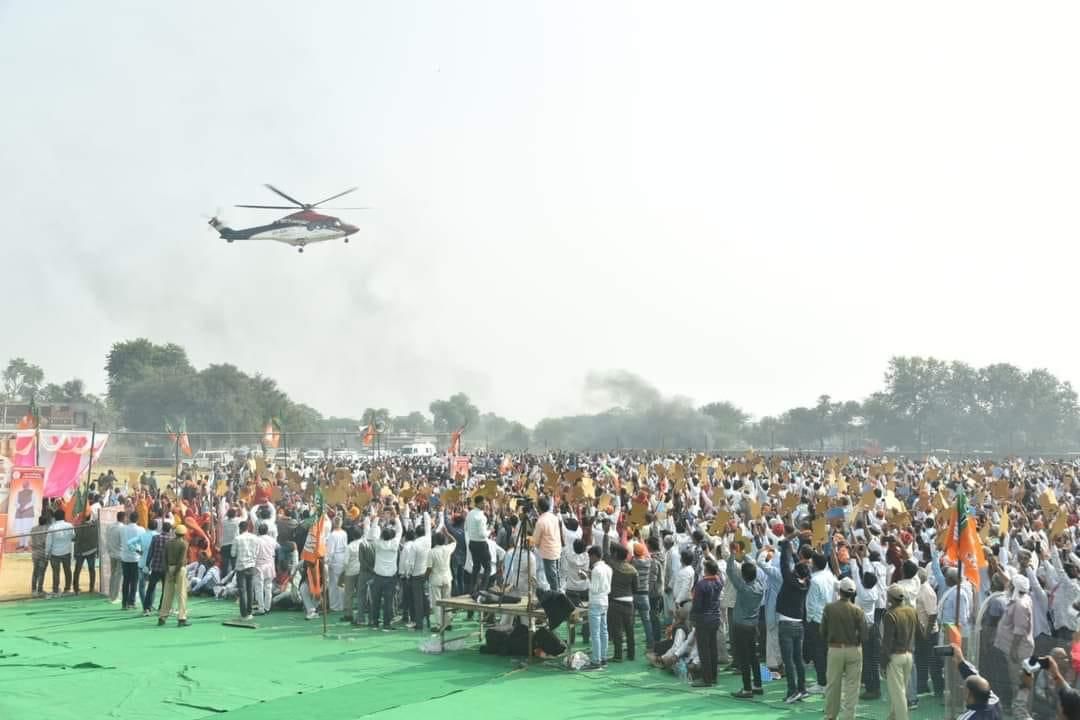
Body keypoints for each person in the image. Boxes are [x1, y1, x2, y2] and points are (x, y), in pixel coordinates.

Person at [821, 576, 866, 720]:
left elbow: (822, 631)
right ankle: (848, 717)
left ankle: (831, 716)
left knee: (833, 685)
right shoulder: (858, 610)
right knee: (852, 687)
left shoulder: (829, 608)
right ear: (852, 594)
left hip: (835, 649)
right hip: (854, 649)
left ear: (839, 591)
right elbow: (864, 634)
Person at [727, 543, 765, 698]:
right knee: (753, 657)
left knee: (743, 658)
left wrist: (733, 554)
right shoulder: (760, 586)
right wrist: (743, 555)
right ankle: (757, 685)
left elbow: (730, 571)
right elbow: (752, 566)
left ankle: (747, 688)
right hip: (752, 625)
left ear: (743, 576)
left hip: (741, 626)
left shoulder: (743, 588)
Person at [994, 574, 1034, 720]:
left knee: (1019, 682)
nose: (1008, 586)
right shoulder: (1022, 598)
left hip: (1018, 651)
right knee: (1017, 681)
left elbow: (1019, 630)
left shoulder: (1020, 605)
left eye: (1011, 584)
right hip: (1016, 649)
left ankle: (1021, 714)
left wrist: (1013, 650)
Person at [776, 534, 810, 703]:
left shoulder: (790, 580)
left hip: (786, 625)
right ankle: (802, 689)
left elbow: (783, 563)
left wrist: (785, 547)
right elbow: (799, 567)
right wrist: (792, 551)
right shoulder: (806, 582)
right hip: (799, 625)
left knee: (788, 660)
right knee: (798, 659)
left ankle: (792, 690)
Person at [881, 584, 918, 720]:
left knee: (898, 695)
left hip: (895, 657)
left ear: (891, 597)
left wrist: (883, 663)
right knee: (900, 691)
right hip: (909, 655)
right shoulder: (911, 611)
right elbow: (919, 633)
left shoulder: (890, 614)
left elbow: (887, 642)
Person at [689, 557, 723, 688]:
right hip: (715, 617)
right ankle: (713, 676)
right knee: (712, 647)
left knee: (704, 650)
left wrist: (692, 617)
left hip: (703, 618)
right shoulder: (718, 582)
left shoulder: (701, 585)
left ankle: (706, 678)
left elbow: (697, 605)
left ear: (707, 570)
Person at [807, 551, 837, 693]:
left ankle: (822, 683)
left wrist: (809, 619)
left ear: (815, 564)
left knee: (819, 652)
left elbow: (811, 604)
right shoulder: (831, 576)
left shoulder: (814, 580)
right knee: (827, 652)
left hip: (817, 620)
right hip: (830, 618)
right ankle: (828, 681)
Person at [950, 642, 1003, 720]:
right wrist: (961, 661)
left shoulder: (967, 718)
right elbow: (978, 681)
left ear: (970, 695)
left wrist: (961, 661)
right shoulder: (995, 703)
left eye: (965, 689)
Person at [607, 544, 638, 662]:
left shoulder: (612, 567)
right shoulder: (633, 570)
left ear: (615, 554)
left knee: (617, 630)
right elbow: (636, 588)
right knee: (630, 629)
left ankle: (618, 655)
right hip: (629, 602)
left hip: (615, 601)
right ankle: (631, 654)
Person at [158, 524, 191, 627]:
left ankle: (162, 617)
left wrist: (168, 571)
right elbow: (181, 561)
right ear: (184, 534)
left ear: (175, 533)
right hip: (179, 570)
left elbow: (164, 559)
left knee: (167, 594)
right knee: (181, 594)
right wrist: (175, 572)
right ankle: (181, 618)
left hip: (169, 569)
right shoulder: (184, 544)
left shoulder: (168, 543)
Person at [586, 545, 612, 670]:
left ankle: (596, 660)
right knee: (604, 631)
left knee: (595, 633)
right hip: (605, 601)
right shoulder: (608, 568)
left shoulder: (596, 570)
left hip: (595, 602)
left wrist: (586, 578)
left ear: (594, 556)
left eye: (590, 556)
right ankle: (603, 658)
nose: (589, 559)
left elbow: (594, 589)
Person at [530, 496, 562, 593]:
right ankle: (557, 593)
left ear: (539, 508)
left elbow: (535, 540)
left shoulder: (541, 521)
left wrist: (529, 539)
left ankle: (556, 596)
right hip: (556, 549)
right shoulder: (553, 517)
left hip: (548, 552)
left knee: (551, 577)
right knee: (556, 575)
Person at [428, 529, 456, 632]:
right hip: (447, 577)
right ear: (444, 540)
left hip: (436, 579)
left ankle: (440, 625)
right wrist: (448, 533)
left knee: (437, 603)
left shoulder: (432, 552)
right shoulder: (447, 549)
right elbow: (454, 542)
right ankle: (448, 623)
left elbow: (429, 568)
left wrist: (425, 577)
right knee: (447, 601)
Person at [631, 542, 656, 650]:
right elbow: (648, 556)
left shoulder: (633, 562)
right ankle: (650, 644)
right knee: (647, 621)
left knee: (630, 622)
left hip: (634, 595)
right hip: (644, 595)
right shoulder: (648, 562)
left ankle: (630, 644)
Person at [143, 521, 171, 615]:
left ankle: (146, 608)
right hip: (166, 569)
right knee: (165, 589)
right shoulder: (171, 540)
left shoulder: (155, 538)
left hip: (155, 567)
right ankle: (161, 608)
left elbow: (150, 552)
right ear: (169, 530)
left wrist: (147, 564)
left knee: (150, 588)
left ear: (162, 528)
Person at [232, 520, 258, 621]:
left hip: (241, 566)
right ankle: (250, 612)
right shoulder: (254, 538)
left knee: (242, 591)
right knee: (250, 589)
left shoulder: (237, 539)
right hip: (251, 565)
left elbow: (233, 554)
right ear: (248, 528)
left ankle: (244, 614)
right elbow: (256, 551)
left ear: (240, 528)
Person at [465, 497, 490, 598]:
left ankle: (472, 590)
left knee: (476, 566)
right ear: (479, 503)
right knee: (487, 567)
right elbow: (482, 534)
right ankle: (483, 590)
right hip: (481, 543)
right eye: (484, 503)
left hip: (472, 543)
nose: (485, 505)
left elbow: (466, 527)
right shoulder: (481, 517)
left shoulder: (470, 513)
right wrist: (490, 531)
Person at [45, 508, 74, 595]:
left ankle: (55, 590)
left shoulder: (52, 527)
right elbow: (73, 537)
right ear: (64, 516)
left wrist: (47, 553)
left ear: (54, 517)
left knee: (56, 573)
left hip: (55, 553)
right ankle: (67, 589)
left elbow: (48, 542)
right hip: (66, 552)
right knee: (67, 571)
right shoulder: (69, 525)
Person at [120, 512, 142, 609]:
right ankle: (131, 602)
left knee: (126, 580)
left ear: (129, 518)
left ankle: (124, 603)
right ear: (137, 519)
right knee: (134, 581)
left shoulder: (123, 528)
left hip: (125, 557)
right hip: (136, 558)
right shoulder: (141, 530)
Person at [254, 523, 277, 615]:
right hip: (270, 564)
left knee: (259, 587)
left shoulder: (256, 540)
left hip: (259, 565)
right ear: (267, 531)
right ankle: (267, 607)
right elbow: (276, 549)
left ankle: (261, 608)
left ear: (258, 531)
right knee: (268, 587)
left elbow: (254, 553)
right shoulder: (272, 540)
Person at [73, 519, 98, 594]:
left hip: (81, 551)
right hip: (91, 550)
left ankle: (76, 588)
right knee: (92, 569)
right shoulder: (95, 526)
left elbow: (76, 538)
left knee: (77, 570)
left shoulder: (78, 527)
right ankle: (91, 588)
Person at [105, 512, 126, 602]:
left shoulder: (110, 526)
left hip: (112, 553)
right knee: (118, 576)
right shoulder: (123, 528)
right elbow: (124, 541)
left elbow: (107, 538)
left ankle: (111, 594)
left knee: (113, 574)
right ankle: (115, 597)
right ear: (124, 518)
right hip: (119, 554)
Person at [30, 514, 49, 597]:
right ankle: (40, 589)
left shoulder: (33, 529)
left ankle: (33, 589)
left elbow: (30, 542)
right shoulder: (47, 529)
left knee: (35, 571)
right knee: (41, 572)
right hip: (43, 553)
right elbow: (46, 542)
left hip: (34, 553)